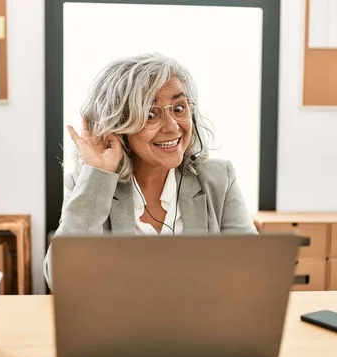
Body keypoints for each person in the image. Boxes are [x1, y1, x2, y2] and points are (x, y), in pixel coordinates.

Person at [44, 53, 257, 289]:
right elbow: (62, 280)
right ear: (119, 125)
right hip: (120, 323)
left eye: (178, 108)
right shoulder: (91, 184)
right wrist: (97, 174)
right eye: (150, 114)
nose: (172, 126)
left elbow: (252, 271)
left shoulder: (219, 179)